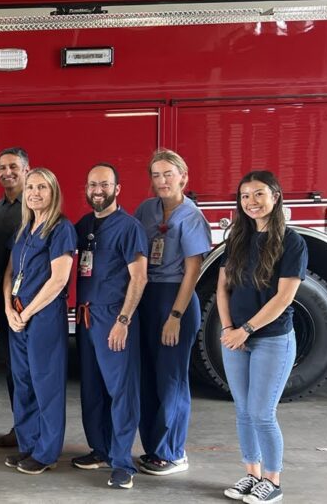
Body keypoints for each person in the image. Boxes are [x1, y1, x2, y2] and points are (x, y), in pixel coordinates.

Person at [217, 171, 306, 504]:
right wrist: (228, 329)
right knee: (243, 410)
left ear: (276, 196)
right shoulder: (237, 239)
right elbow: (222, 290)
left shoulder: (291, 242)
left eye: (258, 194)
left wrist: (246, 330)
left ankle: (273, 480)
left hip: (272, 339)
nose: (251, 202)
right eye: (244, 196)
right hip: (236, 339)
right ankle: (251, 475)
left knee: (261, 412)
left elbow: (284, 297)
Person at [134, 149, 211, 476]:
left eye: (168, 174)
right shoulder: (146, 209)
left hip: (174, 298)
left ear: (183, 176)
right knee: (147, 376)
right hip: (146, 296)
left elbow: (193, 272)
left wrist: (175, 317)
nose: (162, 180)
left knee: (171, 379)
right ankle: (153, 448)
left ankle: (173, 451)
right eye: (156, 175)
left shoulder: (192, 217)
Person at [71, 163, 148, 490]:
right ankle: (100, 450)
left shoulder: (128, 227)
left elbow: (139, 276)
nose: (97, 190)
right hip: (86, 317)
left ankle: (122, 463)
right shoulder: (85, 224)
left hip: (114, 317)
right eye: (92, 185)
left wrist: (123, 321)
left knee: (121, 391)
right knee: (91, 389)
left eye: (104, 185)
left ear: (117, 189)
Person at [2, 168, 75, 475]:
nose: (34, 193)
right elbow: (8, 273)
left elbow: (59, 280)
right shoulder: (24, 230)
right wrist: (7, 309)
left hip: (42, 318)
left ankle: (46, 453)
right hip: (16, 316)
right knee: (24, 384)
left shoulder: (61, 229)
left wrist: (27, 313)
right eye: (30, 187)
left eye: (42, 187)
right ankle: (28, 445)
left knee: (47, 385)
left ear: (53, 192)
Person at [0, 147, 30, 448]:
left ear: (27, 168)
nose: (7, 172)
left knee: (32, 369)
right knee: (14, 367)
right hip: (5, 305)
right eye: (2, 168)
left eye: (13, 166)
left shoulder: (37, 204)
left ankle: (36, 431)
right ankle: (22, 426)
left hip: (32, 304)